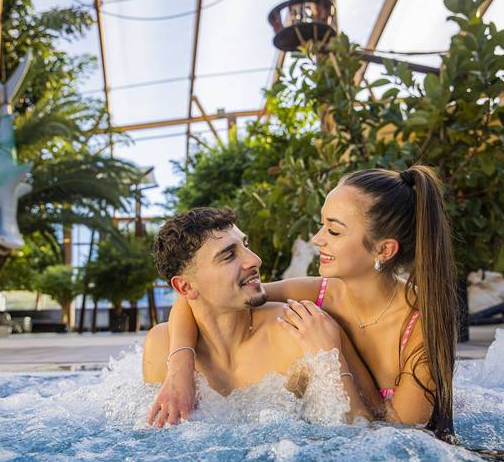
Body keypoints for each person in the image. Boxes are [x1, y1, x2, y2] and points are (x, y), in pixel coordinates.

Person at [149, 166, 457, 439]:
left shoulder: (422, 325)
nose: (317, 239)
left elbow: (397, 439)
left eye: (334, 230)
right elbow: (205, 298)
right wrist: (180, 370)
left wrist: (329, 354)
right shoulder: (315, 293)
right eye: (322, 224)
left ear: (384, 250)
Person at [142, 207, 383, 427]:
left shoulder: (302, 329)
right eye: (228, 255)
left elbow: (370, 427)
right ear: (185, 287)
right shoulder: (161, 347)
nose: (255, 260)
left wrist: (329, 359)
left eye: (245, 245)